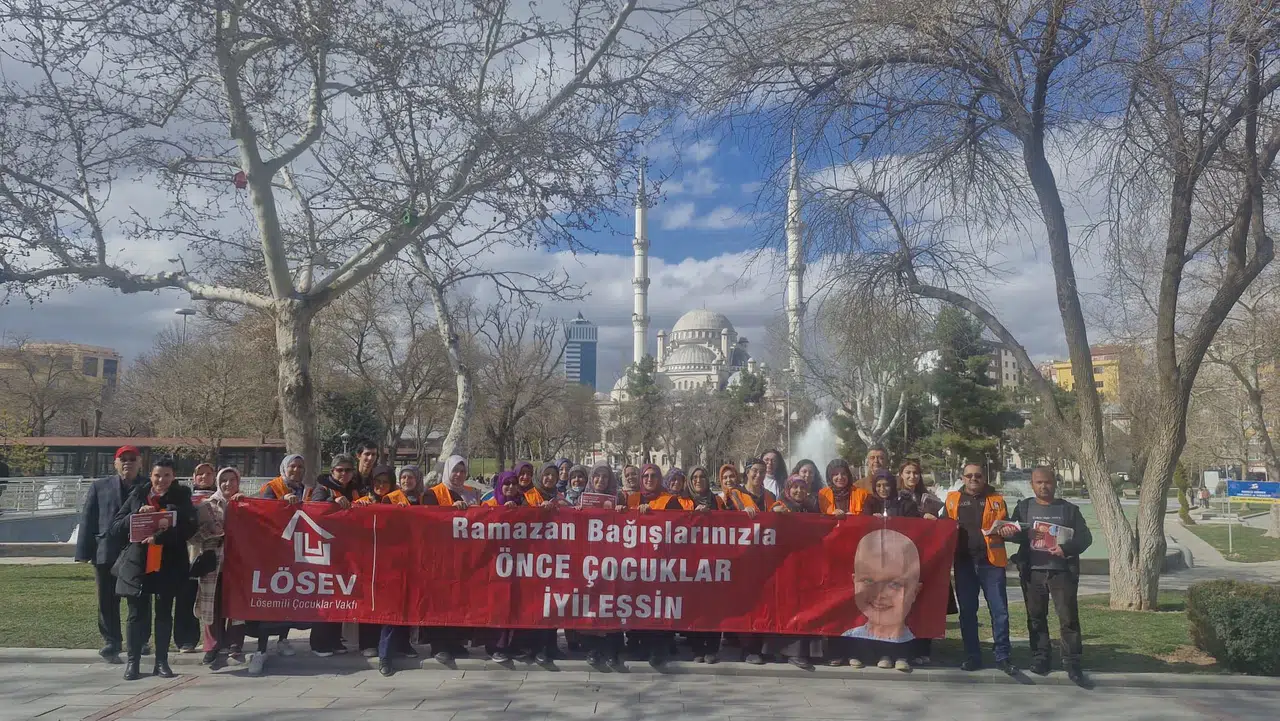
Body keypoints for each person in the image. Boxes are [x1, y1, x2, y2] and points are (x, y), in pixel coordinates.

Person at [108, 458, 196, 680]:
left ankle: (161, 662)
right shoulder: (138, 494)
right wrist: (137, 515)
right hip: (138, 564)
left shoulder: (181, 497)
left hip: (168, 564)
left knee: (164, 613)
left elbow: (189, 528)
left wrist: (160, 537)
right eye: (157, 475)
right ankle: (133, 663)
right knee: (136, 614)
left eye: (167, 475)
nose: (161, 480)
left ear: (173, 477)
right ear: (151, 476)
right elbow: (116, 527)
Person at [1008, 466, 1093, 685]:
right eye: (1039, 482)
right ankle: (1040, 658)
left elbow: (1085, 538)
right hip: (1032, 572)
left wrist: (1066, 548)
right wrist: (1015, 532)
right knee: (1036, 617)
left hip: (1061, 572)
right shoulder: (1024, 508)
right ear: (1032, 485)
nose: (1043, 486)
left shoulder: (1069, 510)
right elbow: (1014, 535)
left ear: (1055, 484)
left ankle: (1072, 662)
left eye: (1047, 482)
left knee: (1068, 618)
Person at [76, 444, 147, 664]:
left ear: (140, 462)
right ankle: (111, 641)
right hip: (106, 551)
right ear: (115, 463)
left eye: (132, 459)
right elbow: (88, 519)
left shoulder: (148, 486)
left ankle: (141, 640)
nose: (128, 463)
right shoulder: (99, 486)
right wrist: (83, 552)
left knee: (140, 599)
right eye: (123, 459)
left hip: (139, 552)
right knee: (107, 600)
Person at [942, 462, 1015, 675]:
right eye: (969, 476)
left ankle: (1003, 656)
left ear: (984, 478)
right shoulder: (953, 499)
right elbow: (942, 527)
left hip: (991, 562)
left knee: (1000, 611)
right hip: (964, 562)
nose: (973, 479)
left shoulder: (996, 499)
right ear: (962, 478)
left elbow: (1007, 526)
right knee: (967, 612)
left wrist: (1009, 530)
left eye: (978, 475)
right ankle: (972, 656)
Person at [842, 529, 923, 673]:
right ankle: (860, 654)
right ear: (854, 581)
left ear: (915, 591)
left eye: (894, 584)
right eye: (868, 581)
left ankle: (898, 655)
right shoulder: (850, 634)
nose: (879, 595)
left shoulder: (913, 636)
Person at [306, 454, 362, 657]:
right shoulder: (323, 489)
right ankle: (319, 643)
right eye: (340, 470)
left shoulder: (355, 490)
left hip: (347, 550)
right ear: (332, 471)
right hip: (325, 550)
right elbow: (313, 510)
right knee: (325, 597)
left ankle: (335, 639)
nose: (344, 473)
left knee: (340, 597)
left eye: (348, 470)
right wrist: (332, 501)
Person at [424, 455, 478, 664]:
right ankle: (438, 644)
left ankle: (456, 641)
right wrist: (450, 511)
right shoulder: (432, 493)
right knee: (440, 601)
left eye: (462, 471)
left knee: (459, 600)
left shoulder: (471, 493)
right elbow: (429, 520)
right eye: (455, 470)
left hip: (464, 556)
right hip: (440, 556)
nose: (458, 475)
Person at [767, 476, 824, 669]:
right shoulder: (780, 506)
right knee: (788, 607)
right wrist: (775, 514)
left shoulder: (810, 508)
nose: (799, 491)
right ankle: (790, 651)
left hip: (806, 566)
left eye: (802, 487)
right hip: (784, 566)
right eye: (795, 487)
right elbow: (768, 527)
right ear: (788, 489)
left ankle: (809, 652)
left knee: (807, 608)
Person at [191, 468, 246, 667]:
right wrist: (211, 532)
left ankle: (235, 643)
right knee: (211, 605)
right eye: (224, 480)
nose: (228, 484)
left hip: (239, 565)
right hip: (214, 563)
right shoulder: (206, 505)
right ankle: (212, 646)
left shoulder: (247, 504)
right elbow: (193, 537)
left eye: (232, 480)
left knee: (236, 605)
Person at [898, 458, 945, 666]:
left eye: (915, 473)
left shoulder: (930, 498)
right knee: (902, 604)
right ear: (901, 475)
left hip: (925, 556)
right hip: (901, 557)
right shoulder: (895, 497)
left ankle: (922, 648)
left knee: (923, 604)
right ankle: (902, 649)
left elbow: (941, 526)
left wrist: (935, 521)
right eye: (908, 472)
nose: (912, 476)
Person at [683, 464, 725, 664]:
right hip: (690, 561)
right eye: (695, 478)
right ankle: (697, 647)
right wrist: (694, 515)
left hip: (715, 560)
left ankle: (712, 648)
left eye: (702, 477)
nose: (698, 481)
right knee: (694, 605)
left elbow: (729, 523)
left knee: (714, 605)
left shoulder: (717, 501)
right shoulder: (683, 501)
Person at [174, 463, 216, 654]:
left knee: (213, 599)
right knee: (186, 597)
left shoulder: (222, 496)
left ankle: (215, 640)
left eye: (208, 473)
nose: (204, 477)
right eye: (200, 474)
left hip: (215, 553)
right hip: (189, 554)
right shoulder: (185, 499)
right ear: (193, 477)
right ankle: (186, 640)